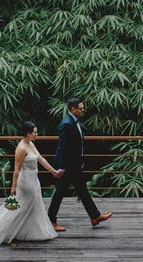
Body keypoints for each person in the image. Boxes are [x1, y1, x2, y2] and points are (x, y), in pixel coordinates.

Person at [47, 97, 113, 231]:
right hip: (68, 166)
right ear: (73, 109)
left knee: (82, 190)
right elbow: (63, 147)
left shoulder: (74, 121)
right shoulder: (66, 123)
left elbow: (77, 144)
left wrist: (80, 160)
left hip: (74, 164)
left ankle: (95, 216)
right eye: (81, 108)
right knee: (60, 192)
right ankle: (51, 221)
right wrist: (62, 168)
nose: (83, 110)